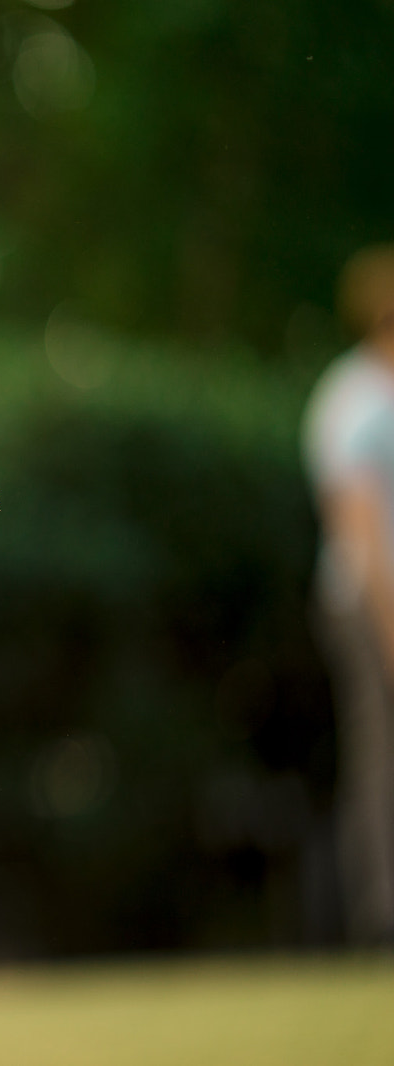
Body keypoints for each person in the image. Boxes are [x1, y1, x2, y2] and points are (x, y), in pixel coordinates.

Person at [302, 244, 394, 946]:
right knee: (380, 758)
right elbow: (360, 534)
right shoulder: (355, 399)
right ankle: (382, 913)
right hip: (370, 605)